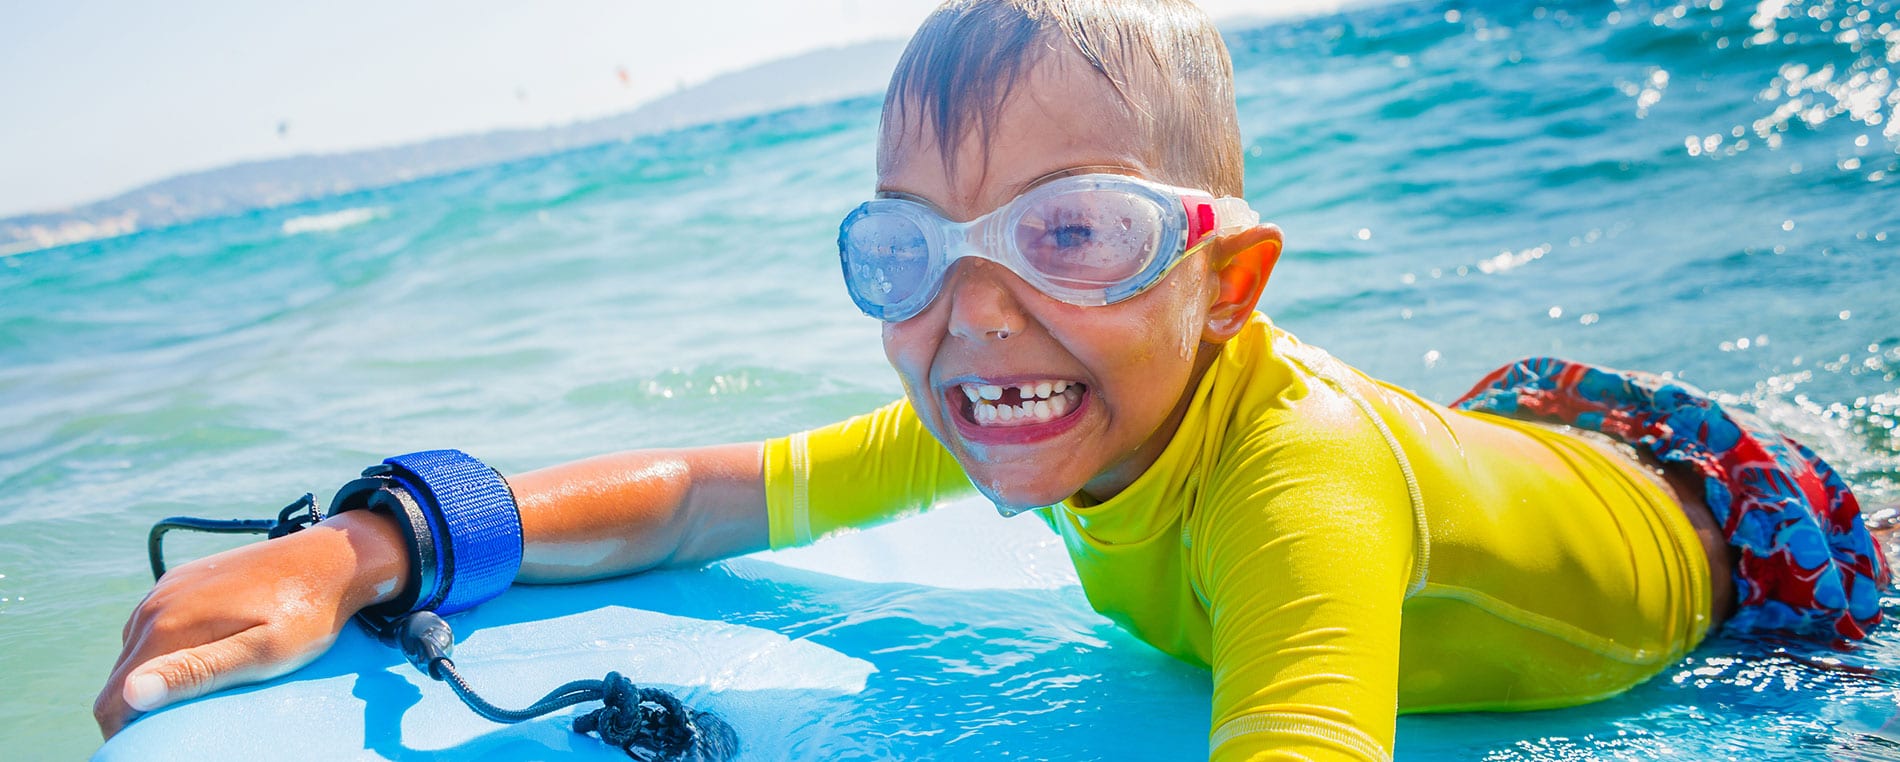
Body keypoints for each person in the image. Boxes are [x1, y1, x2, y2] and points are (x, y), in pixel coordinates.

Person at [97, 1, 1893, 759]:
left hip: (1736, 539)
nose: (980, 316)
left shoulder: (1297, 494)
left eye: (1077, 235)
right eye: (912, 252)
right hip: (1525, 439)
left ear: (1227, 273)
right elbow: (718, 491)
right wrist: (367, 545)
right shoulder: (1041, 406)